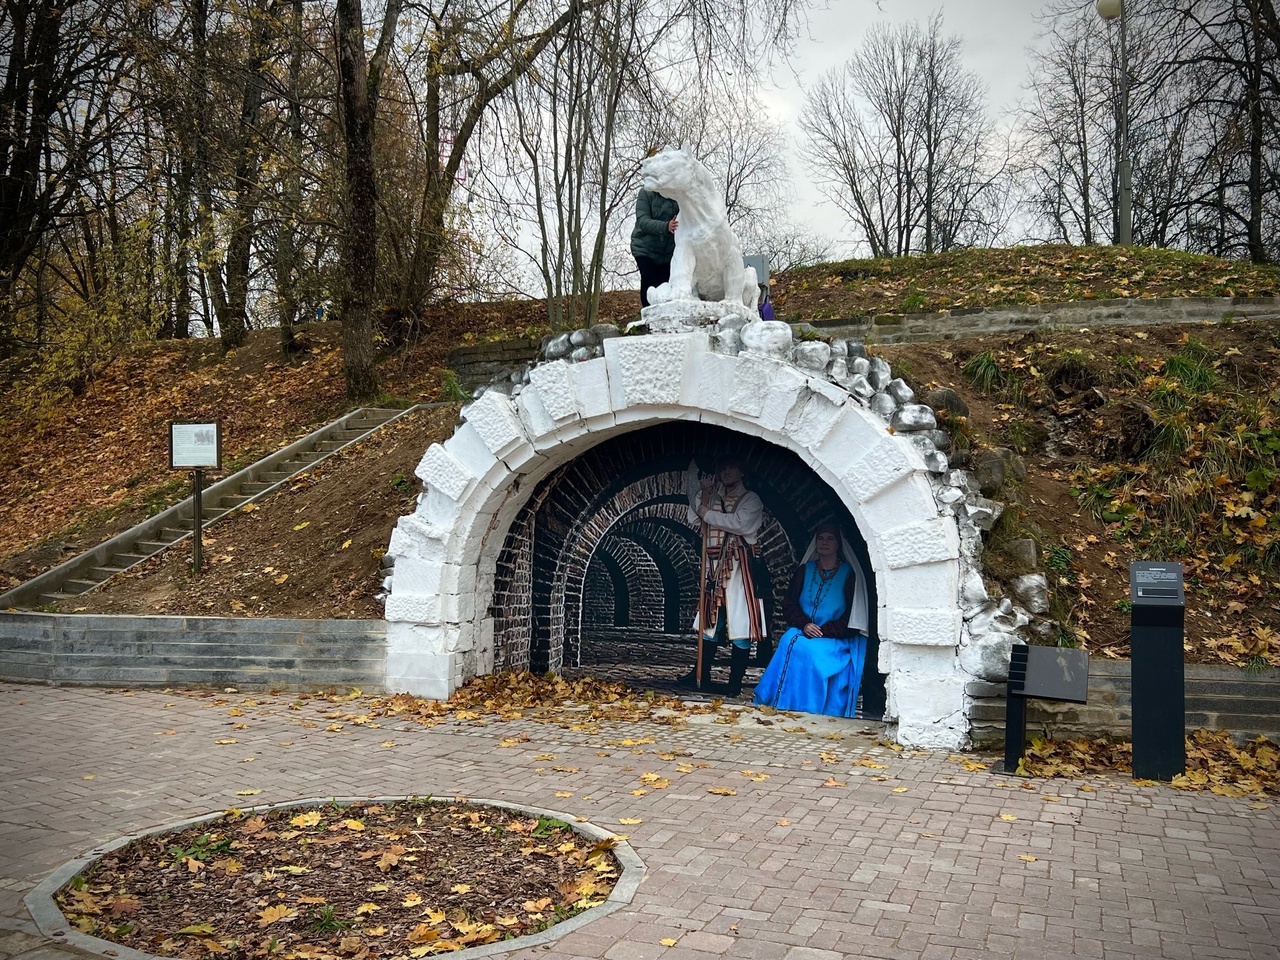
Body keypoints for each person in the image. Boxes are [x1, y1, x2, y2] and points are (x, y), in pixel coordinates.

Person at [753, 524, 870, 717]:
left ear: (838, 544)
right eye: (821, 538)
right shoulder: (804, 571)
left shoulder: (849, 575)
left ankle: (807, 705)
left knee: (811, 653)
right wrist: (805, 624)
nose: (824, 543)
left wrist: (825, 631)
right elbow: (790, 603)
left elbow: (852, 615)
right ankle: (779, 700)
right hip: (803, 629)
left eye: (830, 539)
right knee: (788, 639)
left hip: (834, 639)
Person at [680, 457, 765, 696]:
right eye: (723, 468)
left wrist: (707, 512)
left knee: (741, 620)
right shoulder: (712, 497)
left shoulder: (751, 500)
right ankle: (701, 673)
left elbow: (739, 523)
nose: (727, 472)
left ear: (741, 471)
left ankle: (734, 683)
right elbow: (693, 518)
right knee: (710, 620)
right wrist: (703, 496)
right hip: (713, 565)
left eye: (732, 467)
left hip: (738, 567)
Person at [631, 183, 679, 308]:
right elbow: (643, 221)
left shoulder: (677, 196)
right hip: (644, 248)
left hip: (667, 252)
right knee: (649, 280)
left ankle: (661, 319)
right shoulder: (646, 192)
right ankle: (647, 317)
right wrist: (665, 226)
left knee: (663, 286)